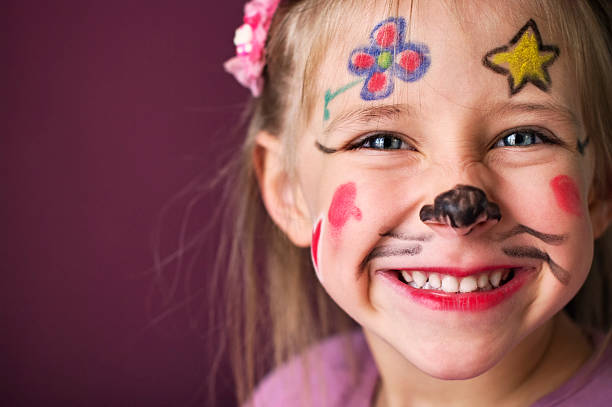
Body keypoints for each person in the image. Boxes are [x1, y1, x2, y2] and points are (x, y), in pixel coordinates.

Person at [215, 0, 612, 405]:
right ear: (290, 193)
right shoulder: (292, 396)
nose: (460, 211)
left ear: (599, 185)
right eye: (383, 142)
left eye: (522, 138)